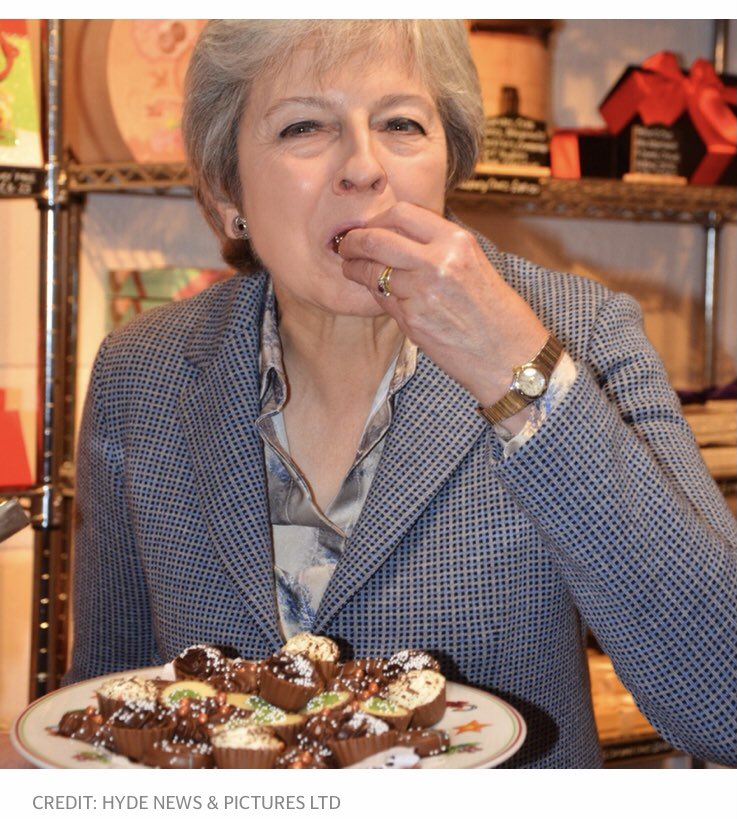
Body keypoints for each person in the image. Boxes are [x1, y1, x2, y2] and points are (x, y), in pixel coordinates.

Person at [65, 20, 737, 768]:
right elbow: (111, 703)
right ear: (228, 192)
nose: (363, 167)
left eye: (400, 123)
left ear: (446, 164)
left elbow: (724, 706)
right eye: (303, 126)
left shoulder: (580, 338)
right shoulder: (141, 372)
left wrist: (514, 370)